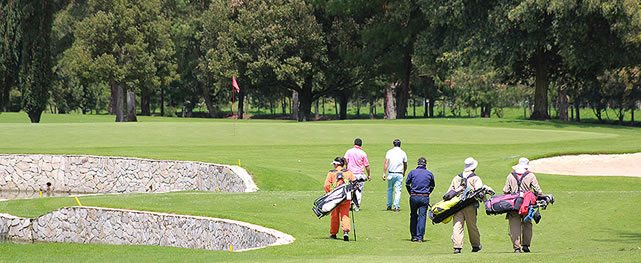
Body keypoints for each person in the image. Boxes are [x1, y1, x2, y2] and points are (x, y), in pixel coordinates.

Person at [503, 157, 543, 253]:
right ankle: (526, 245)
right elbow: (538, 191)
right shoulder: (531, 176)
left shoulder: (510, 175)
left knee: (514, 225)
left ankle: (517, 247)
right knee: (527, 224)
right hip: (527, 204)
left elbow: (505, 191)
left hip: (514, 204)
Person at [449, 157, 483, 254]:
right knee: (472, 225)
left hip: (457, 205)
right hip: (470, 205)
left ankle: (457, 247)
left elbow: (450, 192)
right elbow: (479, 191)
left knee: (457, 226)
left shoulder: (457, 177)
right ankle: (476, 245)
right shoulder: (475, 178)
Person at [324, 157, 356, 241]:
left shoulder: (331, 173)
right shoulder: (349, 172)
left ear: (337, 164)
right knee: (345, 215)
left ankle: (333, 233)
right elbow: (354, 184)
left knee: (334, 216)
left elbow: (326, 185)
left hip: (335, 198)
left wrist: (329, 194)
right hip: (346, 197)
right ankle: (346, 231)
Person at [405, 157, 435, 242]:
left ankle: (413, 236)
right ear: (425, 164)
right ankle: (420, 237)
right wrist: (428, 193)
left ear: (418, 163)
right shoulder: (429, 174)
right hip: (424, 196)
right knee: (422, 217)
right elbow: (432, 186)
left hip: (414, 196)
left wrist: (410, 192)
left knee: (413, 215)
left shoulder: (412, 172)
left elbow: (407, 184)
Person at [344, 138, 371, 209]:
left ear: (354, 144)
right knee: (359, 190)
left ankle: (349, 204)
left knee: (349, 189)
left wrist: (346, 167)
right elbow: (367, 166)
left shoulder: (349, 151)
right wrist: (369, 175)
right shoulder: (363, 153)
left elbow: (345, 160)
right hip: (359, 174)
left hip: (350, 174)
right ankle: (356, 206)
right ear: (361, 145)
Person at [382, 139, 408, 212]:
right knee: (398, 191)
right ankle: (396, 206)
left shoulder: (389, 152)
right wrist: (404, 172)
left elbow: (386, 163)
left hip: (390, 173)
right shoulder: (403, 153)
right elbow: (405, 164)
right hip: (399, 173)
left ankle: (389, 205)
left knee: (390, 190)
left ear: (393, 144)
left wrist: (384, 173)